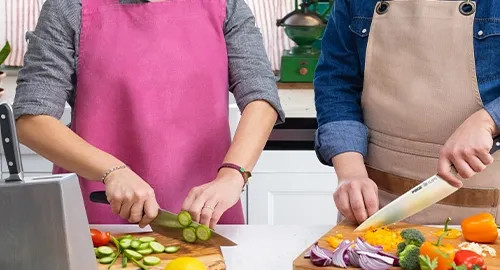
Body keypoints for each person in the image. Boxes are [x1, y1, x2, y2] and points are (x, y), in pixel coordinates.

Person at [13, 0, 284, 228]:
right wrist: (113, 172)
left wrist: (233, 175)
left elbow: (261, 96)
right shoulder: (70, 7)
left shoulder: (226, 5)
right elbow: (32, 119)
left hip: (207, 216)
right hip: (99, 217)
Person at [314, 0, 500, 225]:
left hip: (487, 214)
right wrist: (351, 173)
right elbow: (336, 81)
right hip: (377, 211)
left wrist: (488, 120)